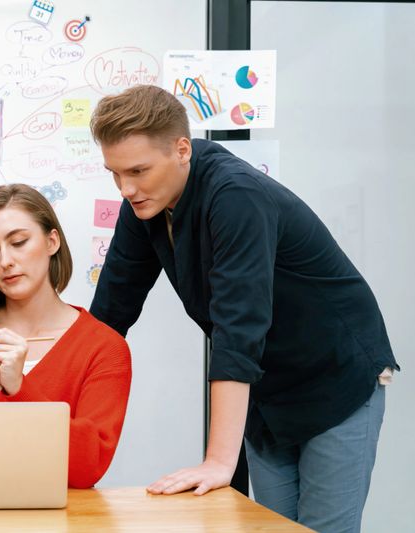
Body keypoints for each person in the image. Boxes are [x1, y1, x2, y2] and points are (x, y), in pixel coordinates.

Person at [88, 85, 398, 533]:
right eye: (114, 173)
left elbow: (237, 328)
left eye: (137, 170)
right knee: (271, 527)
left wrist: (217, 461)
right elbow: (111, 312)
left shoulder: (235, 195)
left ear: (181, 150)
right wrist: (58, 416)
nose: (127, 188)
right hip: (267, 389)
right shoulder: (144, 204)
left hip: (334, 376)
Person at [0, 184, 131, 488]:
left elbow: (87, 470)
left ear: (52, 241)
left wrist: (20, 388)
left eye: (19, 242)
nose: (5, 261)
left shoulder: (105, 348)